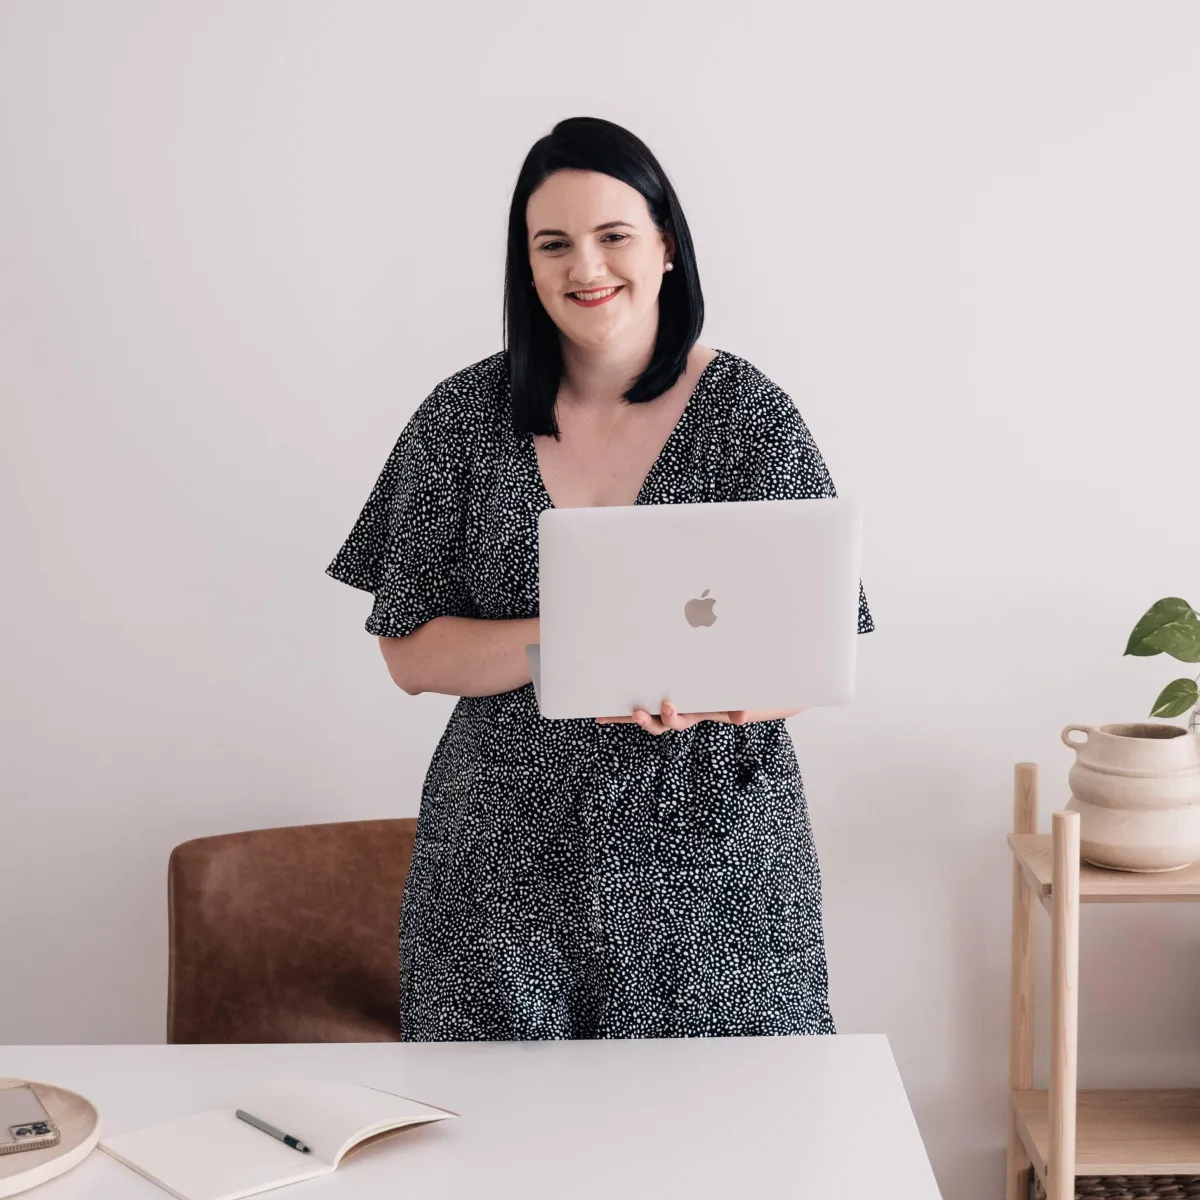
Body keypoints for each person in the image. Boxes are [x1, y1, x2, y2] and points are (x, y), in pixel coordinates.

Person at [326, 116, 874, 1041]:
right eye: (554, 244)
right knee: (498, 1129)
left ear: (666, 246)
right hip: (499, 871)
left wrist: (713, 699)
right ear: (528, 265)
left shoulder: (753, 416)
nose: (586, 267)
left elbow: (815, 649)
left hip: (714, 870)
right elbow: (409, 653)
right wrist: (588, 642)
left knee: (729, 1124)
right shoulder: (460, 419)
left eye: (613, 235)